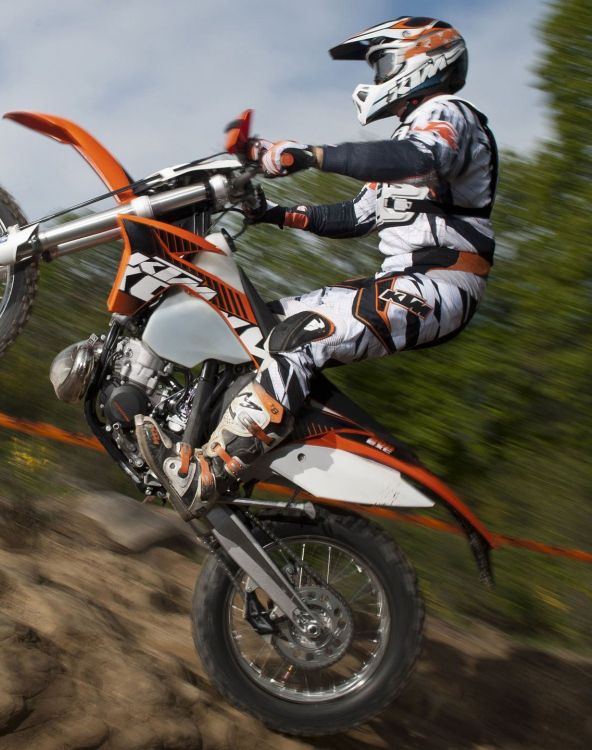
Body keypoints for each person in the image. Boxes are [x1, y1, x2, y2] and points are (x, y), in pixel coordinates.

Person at [137, 16, 499, 518]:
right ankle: (195, 433)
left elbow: (418, 157)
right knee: (256, 326)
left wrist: (311, 155)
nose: (377, 79)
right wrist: (271, 213)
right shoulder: (406, 140)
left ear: (422, 61)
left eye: (384, 64)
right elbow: (353, 215)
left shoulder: (448, 115)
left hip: (442, 284)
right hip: (401, 281)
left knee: (299, 336)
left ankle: (212, 470)